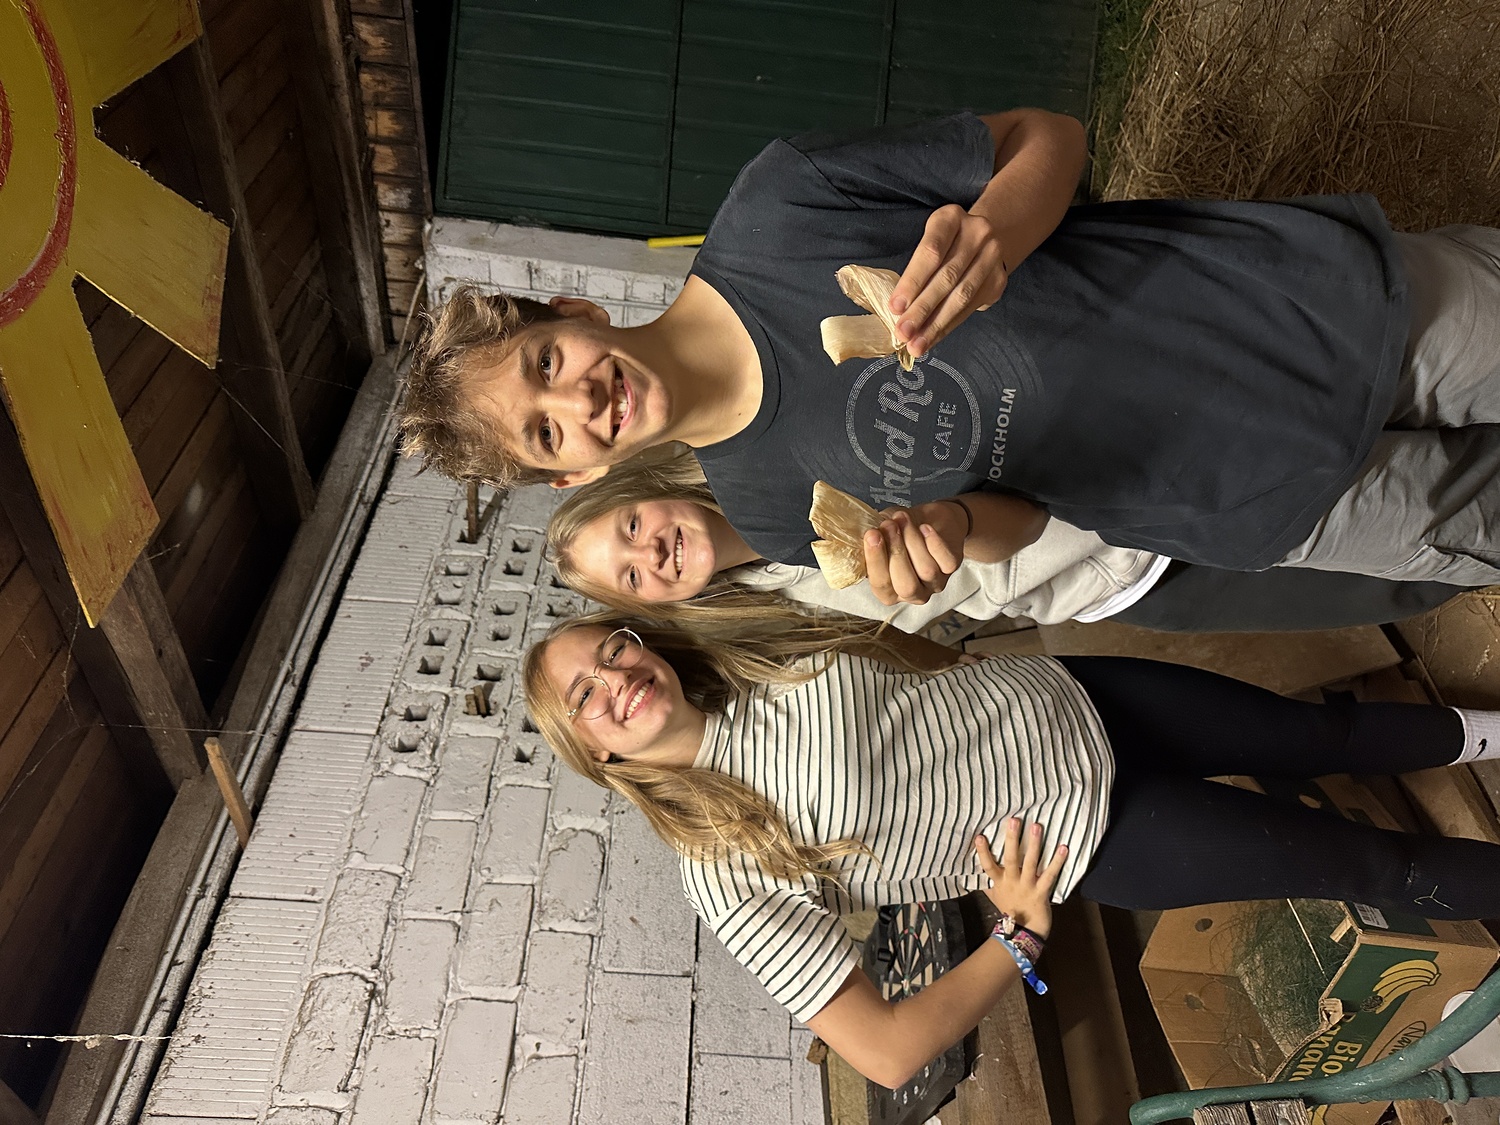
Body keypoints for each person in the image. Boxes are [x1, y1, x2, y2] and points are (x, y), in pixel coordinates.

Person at [400, 108, 1500, 596]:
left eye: (546, 363)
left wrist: (993, 235)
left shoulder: (777, 205)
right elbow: (1026, 518)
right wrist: (955, 531)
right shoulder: (777, 516)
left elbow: (1047, 137)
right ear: (572, 475)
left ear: (571, 312)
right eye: (547, 434)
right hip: (1246, 499)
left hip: (1292, 306)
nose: (581, 402)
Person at [523, 611, 1500, 1087]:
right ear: (593, 751)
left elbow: (894, 654)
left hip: (1079, 696)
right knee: (1369, 866)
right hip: (1092, 831)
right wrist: (1019, 939)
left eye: (611, 648)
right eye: (586, 696)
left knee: (1321, 733)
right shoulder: (720, 865)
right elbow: (887, 1052)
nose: (617, 678)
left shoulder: (746, 654)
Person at [545, 446, 1464, 632]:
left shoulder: (773, 453)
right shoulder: (787, 619)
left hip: (1123, 468)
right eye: (633, 576)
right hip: (1128, 579)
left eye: (631, 527)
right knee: (1389, 580)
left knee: (1382, 474)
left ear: (646, 489)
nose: (650, 552)